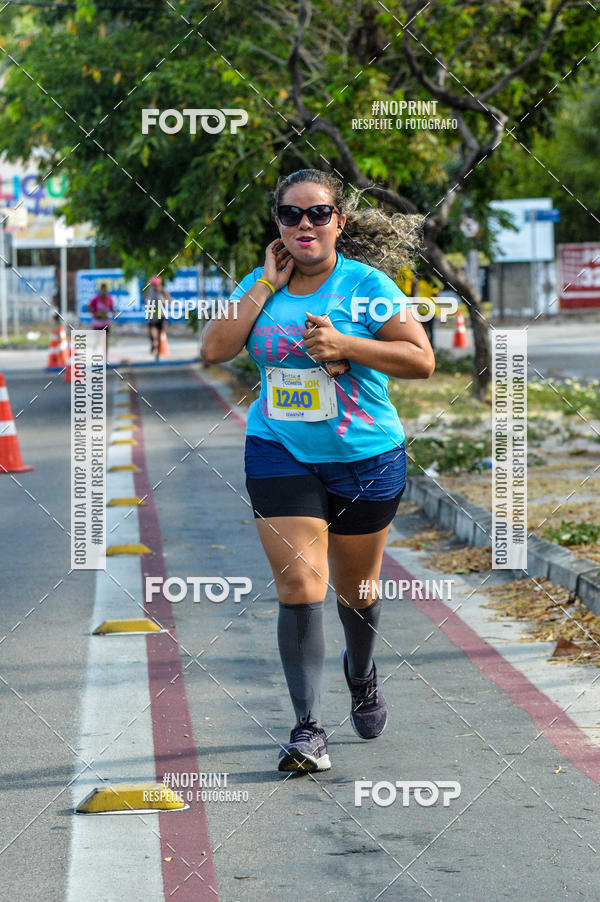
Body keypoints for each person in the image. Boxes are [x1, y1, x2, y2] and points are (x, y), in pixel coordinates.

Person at [201, 169, 435, 774]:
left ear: (340, 221)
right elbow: (213, 349)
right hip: (279, 451)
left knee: (356, 592)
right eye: (290, 215)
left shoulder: (367, 285)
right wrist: (263, 287)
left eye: (318, 214)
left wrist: (348, 346)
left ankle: (362, 673)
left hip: (365, 456)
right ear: (277, 223)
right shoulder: (262, 282)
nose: (304, 225)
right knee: (300, 587)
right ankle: (307, 729)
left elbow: (421, 360)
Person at [144, 276, 171, 359]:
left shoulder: (163, 291)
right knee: (152, 333)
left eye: (156, 284)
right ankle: (153, 344)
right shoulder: (149, 291)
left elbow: (169, 301)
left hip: (161, 315)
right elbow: (145, 300)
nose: (155, 286)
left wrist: (164, 301)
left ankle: (158, 353)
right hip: (152, 314)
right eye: (153, 284)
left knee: (160, 334)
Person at [88, 283, 115, 353]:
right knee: (97, 341)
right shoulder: (96, 299)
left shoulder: (109, 299)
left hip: (106, 323)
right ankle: (94, 353)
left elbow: (112, 308)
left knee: (106, 340)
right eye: (103, 291)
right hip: (97, 323)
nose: (104, 292)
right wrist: (95, 314)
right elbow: (89, 307)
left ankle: (105, 358)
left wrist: (114, 314)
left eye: (105, 291)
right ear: (100, 291)